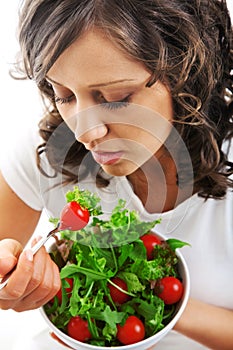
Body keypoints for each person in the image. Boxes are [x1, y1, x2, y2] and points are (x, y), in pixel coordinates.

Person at [0, 0, 232, 349]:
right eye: (64, 95)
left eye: (115, 97)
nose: (83, 132)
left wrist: (154, 304)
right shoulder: (44, 151)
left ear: (188, 76)